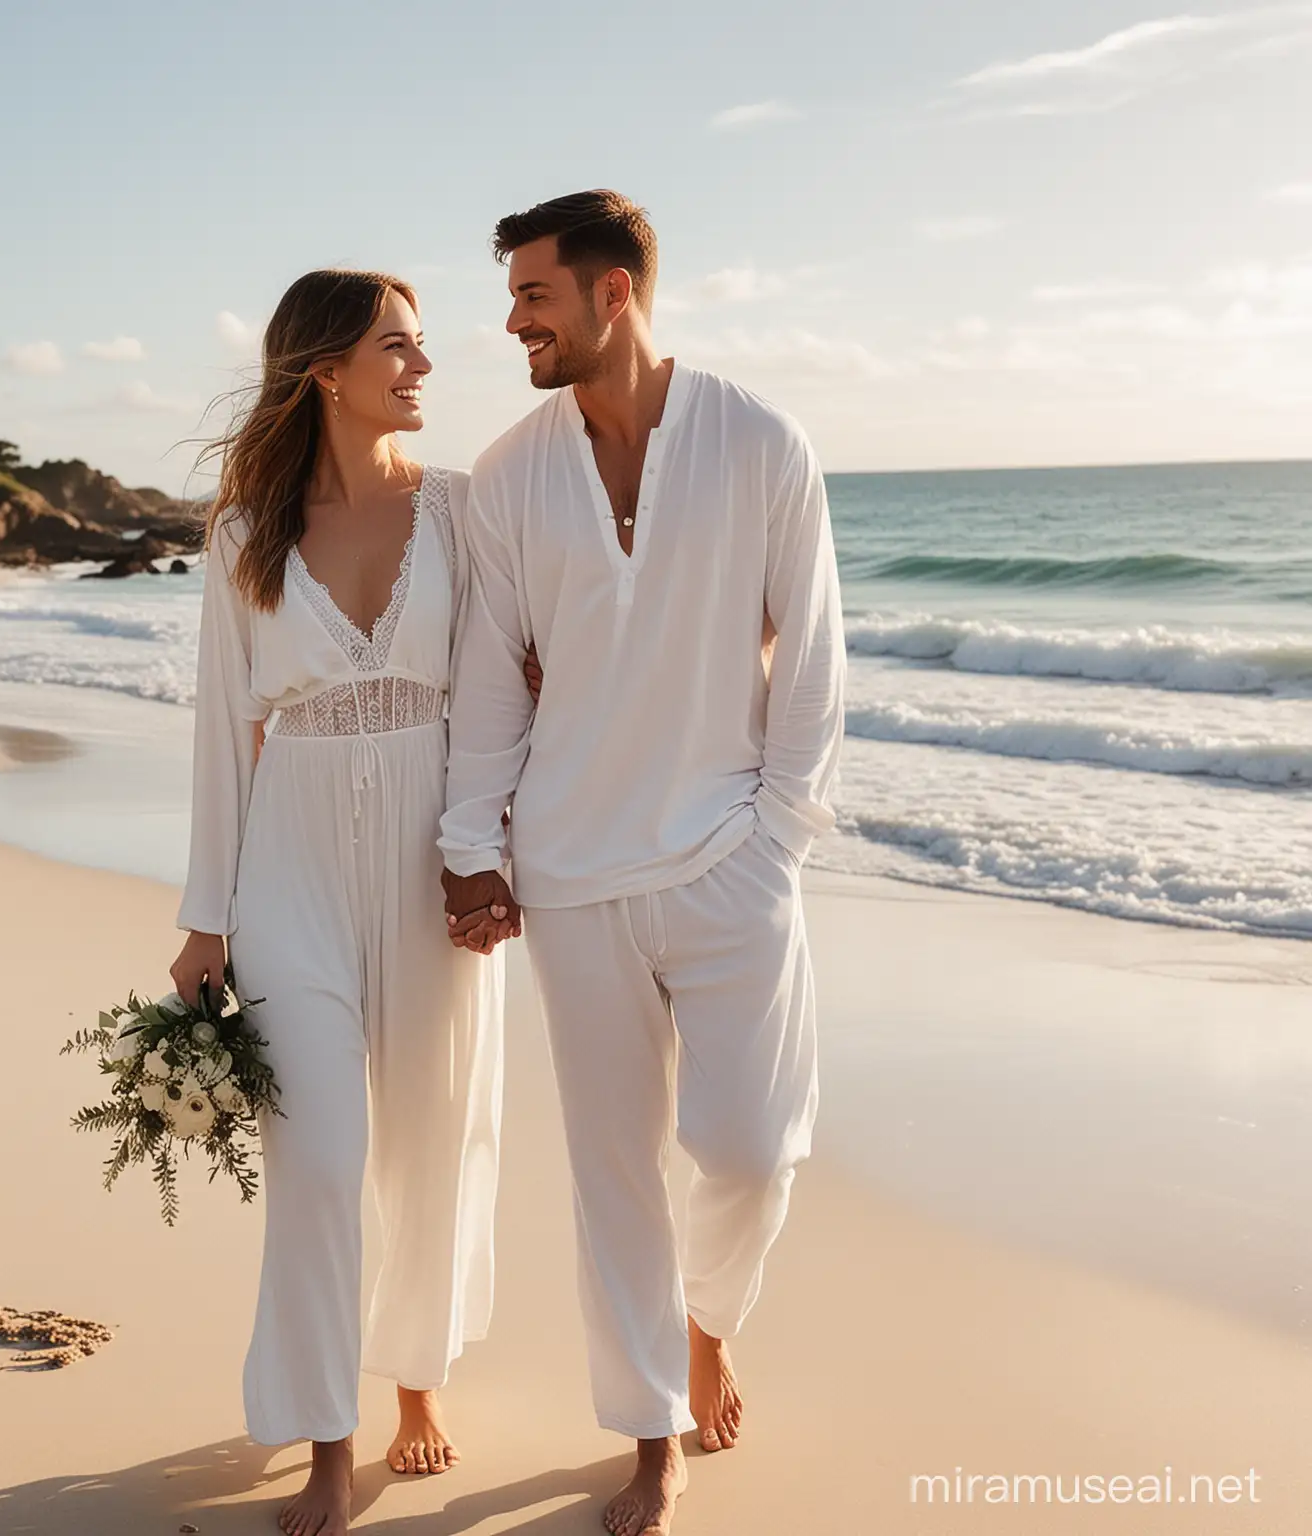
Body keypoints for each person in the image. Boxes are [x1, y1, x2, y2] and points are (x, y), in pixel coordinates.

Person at [439, 190, 845, 1536]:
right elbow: (492, 673)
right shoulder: (508, 472)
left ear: (614, 294)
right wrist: (472, 841)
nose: (512, 323)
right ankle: (649, 1432)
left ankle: (711, 1319)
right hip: (569, 874)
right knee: (611, 1171)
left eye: (534, 297)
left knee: (749, 1147)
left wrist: (777, 834)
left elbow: (815, 661)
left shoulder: (760, 444)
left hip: (731, 858)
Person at [171, 269, 525, 1536]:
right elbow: (221, 734)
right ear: (326, 368)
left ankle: (415, 1386)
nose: (424, 367)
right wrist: (205, 917)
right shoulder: (242, 536)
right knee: (318, 1165)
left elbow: (504, 696)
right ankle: (329, 1434)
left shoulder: (471, 511)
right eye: (399, 348)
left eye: (422, 347)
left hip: (435, 861)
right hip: (290, 876)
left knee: (433, 1143)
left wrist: (497, 854)